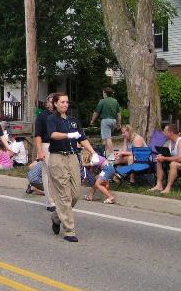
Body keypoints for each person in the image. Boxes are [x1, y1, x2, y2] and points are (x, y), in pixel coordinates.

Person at [46, 92, 99, 243]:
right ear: (55, 104)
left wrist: (93, 152)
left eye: (67, 102)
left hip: (72, 157)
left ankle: (56, 216)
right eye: (62, 102)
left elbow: (81, 137)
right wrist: (68, 135)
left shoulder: (73, 120)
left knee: (75, 194)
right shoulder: (51, 119)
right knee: (64, 194)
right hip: (57, 157)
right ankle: (70, 230)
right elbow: (52, 134)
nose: (65, 105)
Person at [149, 123, 181, 194]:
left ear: (170, 133)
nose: (163, 134)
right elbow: (172, 157)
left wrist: (165, 158)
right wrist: (162, 157)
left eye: (165, 132)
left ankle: (168, 187)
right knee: (159, 160)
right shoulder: (171, 142)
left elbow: (180, 159)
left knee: (173, 164)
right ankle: (159, 185)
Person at [34, 94, 57, 212]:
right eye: (50, 102)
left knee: (57, 174)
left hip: (59, 146)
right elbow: (37, 135)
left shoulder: (60, 115)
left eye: (54, 101)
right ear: (47, 103)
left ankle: (58, 199)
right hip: (47, 145)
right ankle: (50, 202)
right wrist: (40, 151)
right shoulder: (42, 117)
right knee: (48, 174)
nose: (52, 104)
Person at [90, 87, 121, 156]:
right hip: (113, 121)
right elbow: (119, 114)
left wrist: (92, 120)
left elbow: (96, 112)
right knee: (106, 138)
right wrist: (119, 123)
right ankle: (105, 153)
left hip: (105, 121)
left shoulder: (102, 101)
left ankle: (111, 155)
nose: (102, 94)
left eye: (103, 92)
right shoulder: (115, 101)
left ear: (105, 93)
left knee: (107, 138)